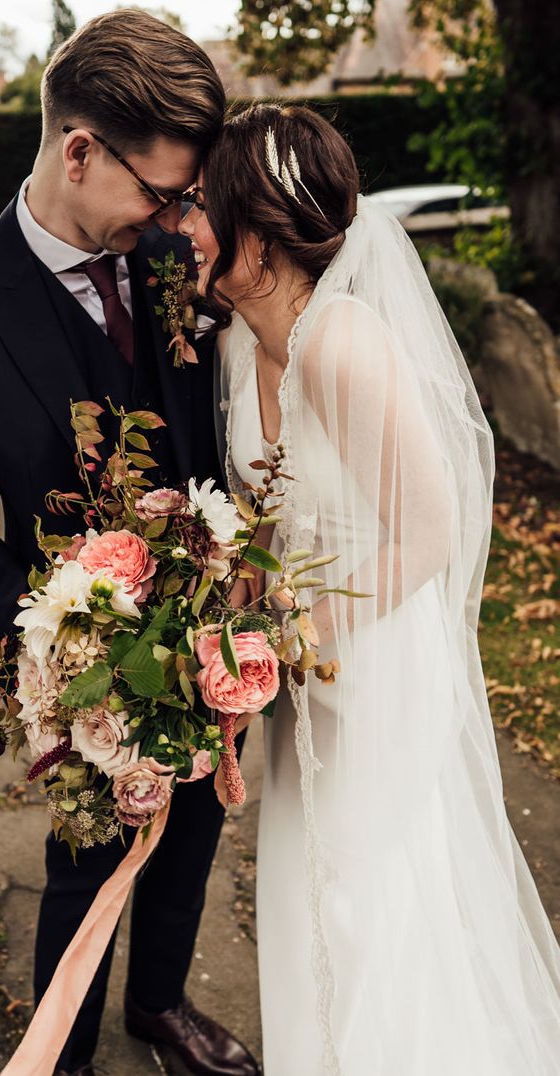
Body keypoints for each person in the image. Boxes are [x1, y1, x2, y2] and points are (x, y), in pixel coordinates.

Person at [0, 12, 259, 1076]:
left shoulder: (171, 267)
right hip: (80, 667)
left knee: (193, 835)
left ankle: (159, 1003)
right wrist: (73, 643)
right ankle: (66, 1053)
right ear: (79, 149)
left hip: (211, 642)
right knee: (87, 857)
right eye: (160, 190)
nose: (177, 214)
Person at [180, 101, 560, 1075]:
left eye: (198, 208)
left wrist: (286, 633)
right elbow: (260, 517)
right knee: (309, 888)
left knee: (370, 906)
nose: (182, 226)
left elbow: (429, 530)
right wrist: (221, 630)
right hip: (301, 675)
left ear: (255, 233)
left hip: (377, 663)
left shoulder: (339, 344)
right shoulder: (234, 342)